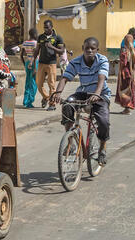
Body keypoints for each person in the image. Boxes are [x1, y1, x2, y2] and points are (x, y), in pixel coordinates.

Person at [51, 37, 111, 166]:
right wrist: (58, 92)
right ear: (83, 48)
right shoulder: (76, 62)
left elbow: (101, 78)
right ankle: (70, 141)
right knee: (67, 105)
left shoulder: (102, 60)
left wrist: (97, 94)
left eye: (92, 48)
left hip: (101, 94)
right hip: (84, 93)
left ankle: (102, 147)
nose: (89, 50)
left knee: (103, 121)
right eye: (87, 48)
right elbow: (65, 78)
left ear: (97, 50)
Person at [33, 20, 65, 111]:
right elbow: (37, 50)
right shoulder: (41, 37)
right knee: (38, 84)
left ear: (51, 27)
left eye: (47, 27)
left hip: (52, 63)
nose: (45, 29)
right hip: (41, 63)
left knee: (51, 85)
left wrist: (52, 47)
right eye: (44, 27)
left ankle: (52, 104)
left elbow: (61, 51)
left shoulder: (58, 37)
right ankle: (46, 97)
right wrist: (33, 60)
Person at [115, 35, 135, 115]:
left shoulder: (125, 50)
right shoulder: (133, 51)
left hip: (125, 73)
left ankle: (127, 108)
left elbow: (123, 62)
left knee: (124, 91)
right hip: (131, 74)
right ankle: (128, 107)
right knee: (129, 90)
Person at [20, 28, 38, 108]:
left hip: (27, 62)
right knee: (34, 83)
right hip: (34, 63)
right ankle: (29, 102)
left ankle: (25, 101)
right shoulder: (36, 43)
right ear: (34, 34)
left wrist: (25, 63)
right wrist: (33, 66)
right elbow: (35, 55)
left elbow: (21, 55)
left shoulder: (25, 43)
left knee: (28, 82)